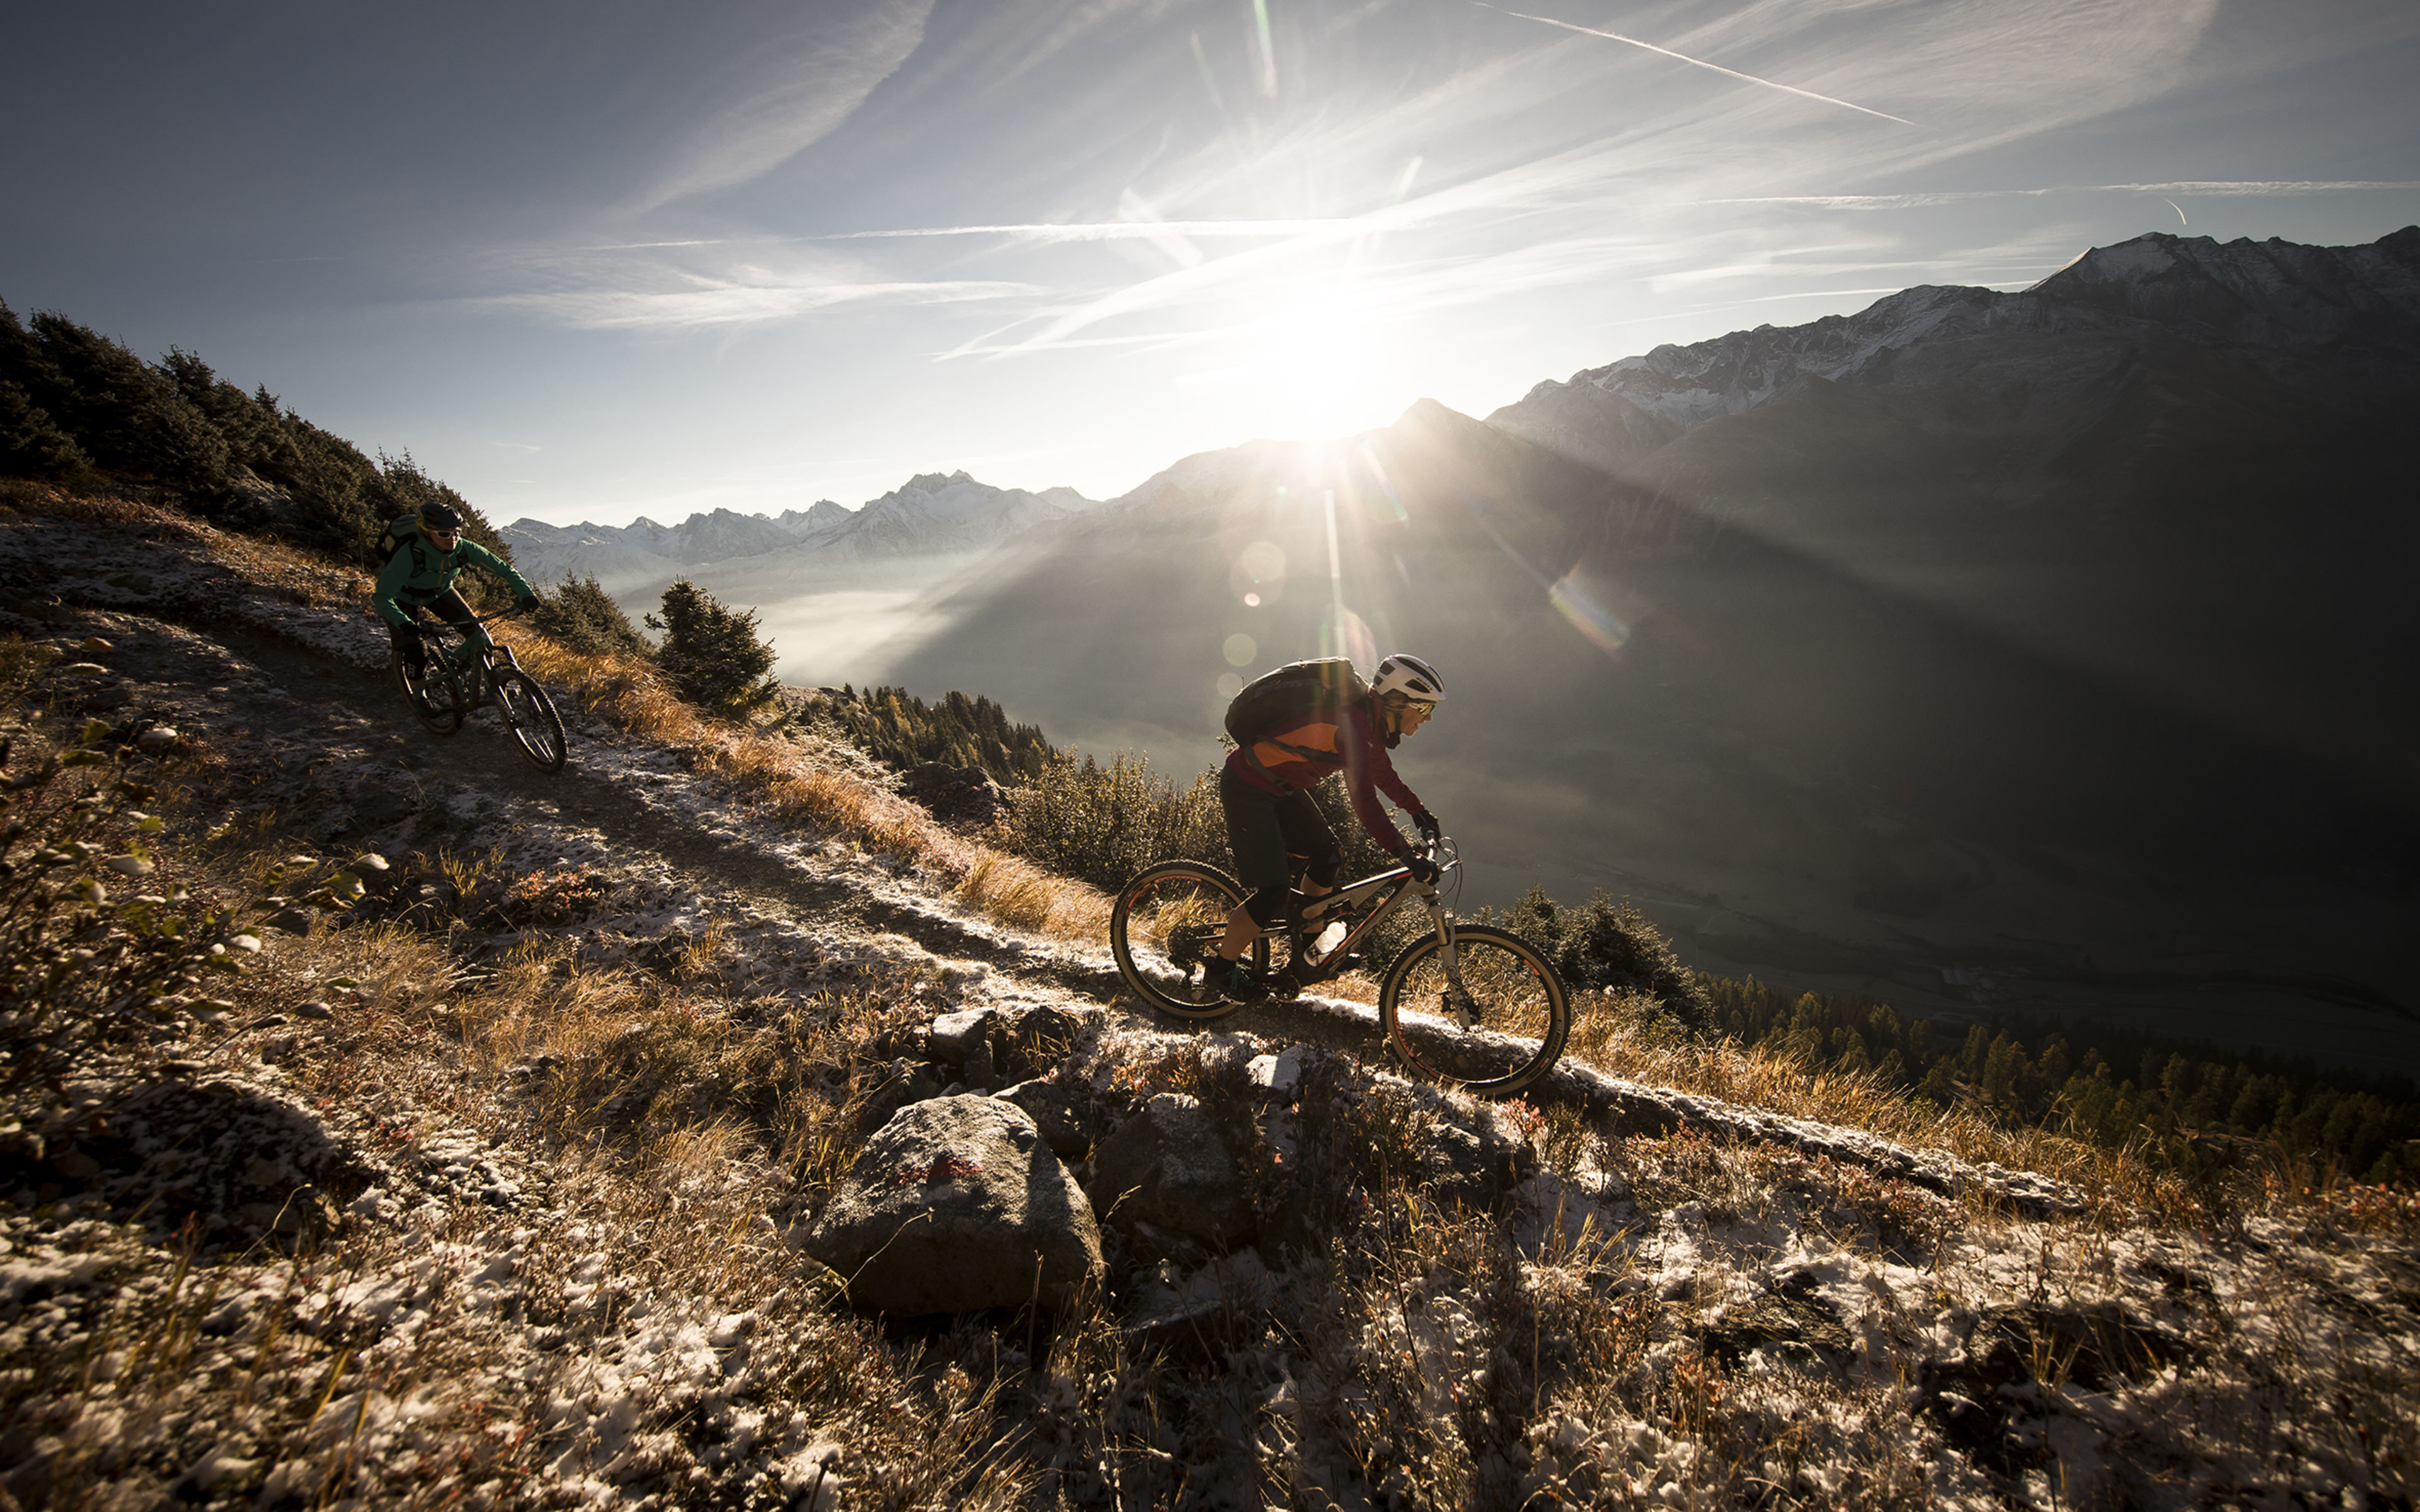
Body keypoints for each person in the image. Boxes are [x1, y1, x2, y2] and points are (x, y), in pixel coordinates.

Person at [1207, 653, 1444, 1000]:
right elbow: (1364, 802)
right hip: (1248, 787)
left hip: (1280, 787)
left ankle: (1308, 957)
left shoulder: (1369, 722)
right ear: (1398, 702)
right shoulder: (1353, 724)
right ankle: (1220, 971)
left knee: (1328, 856)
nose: (1426, 720)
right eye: (1424, 710)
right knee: (1273, 892)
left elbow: (1381, 773)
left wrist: (1418, 811)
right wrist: (1405, 854)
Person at [372, 501, 539, 699]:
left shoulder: (464, 549)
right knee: (415, 649)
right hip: (403, 597)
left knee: (480, 637)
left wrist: (526, 594)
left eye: (457, 532)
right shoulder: (410, 554)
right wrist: (404, 623)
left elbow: (504, 569)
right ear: (427, 533)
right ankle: (418, 697)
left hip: (441, 593)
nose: (452, 539)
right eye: (444, 534)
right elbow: (382, 595)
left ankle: (492, 686)